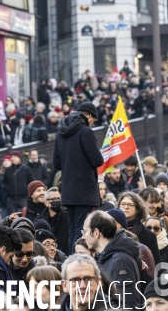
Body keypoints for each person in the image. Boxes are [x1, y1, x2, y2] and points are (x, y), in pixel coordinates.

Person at [53, 102, 104, 254]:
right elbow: (97, 160)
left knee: (73, 231)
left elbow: (56, 164)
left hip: (69, 190)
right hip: (84, 190)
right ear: (89, 116)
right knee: (82, 231)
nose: (92, 123)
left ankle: (70, 260)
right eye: (93, 120)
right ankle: (78, 262)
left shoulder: (61, 133)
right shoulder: (85, 132)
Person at [82, 210, 141, 310]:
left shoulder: (119, 261)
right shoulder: (106, 258)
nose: (83, 237)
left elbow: (127, 304)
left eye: (85, 231)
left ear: (96, 233)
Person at [117, 191, 161, 265]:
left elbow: (156, 263)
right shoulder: (111, 230)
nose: (126, 207)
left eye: (130, 205)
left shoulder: (149, 235)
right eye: (123, 204)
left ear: (137, 209)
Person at [38, 187, 70, 255]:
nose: (56, 201)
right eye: (53, 199)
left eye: (58, 198)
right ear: (46, 203)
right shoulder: (40, 220)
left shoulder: (67, 217)